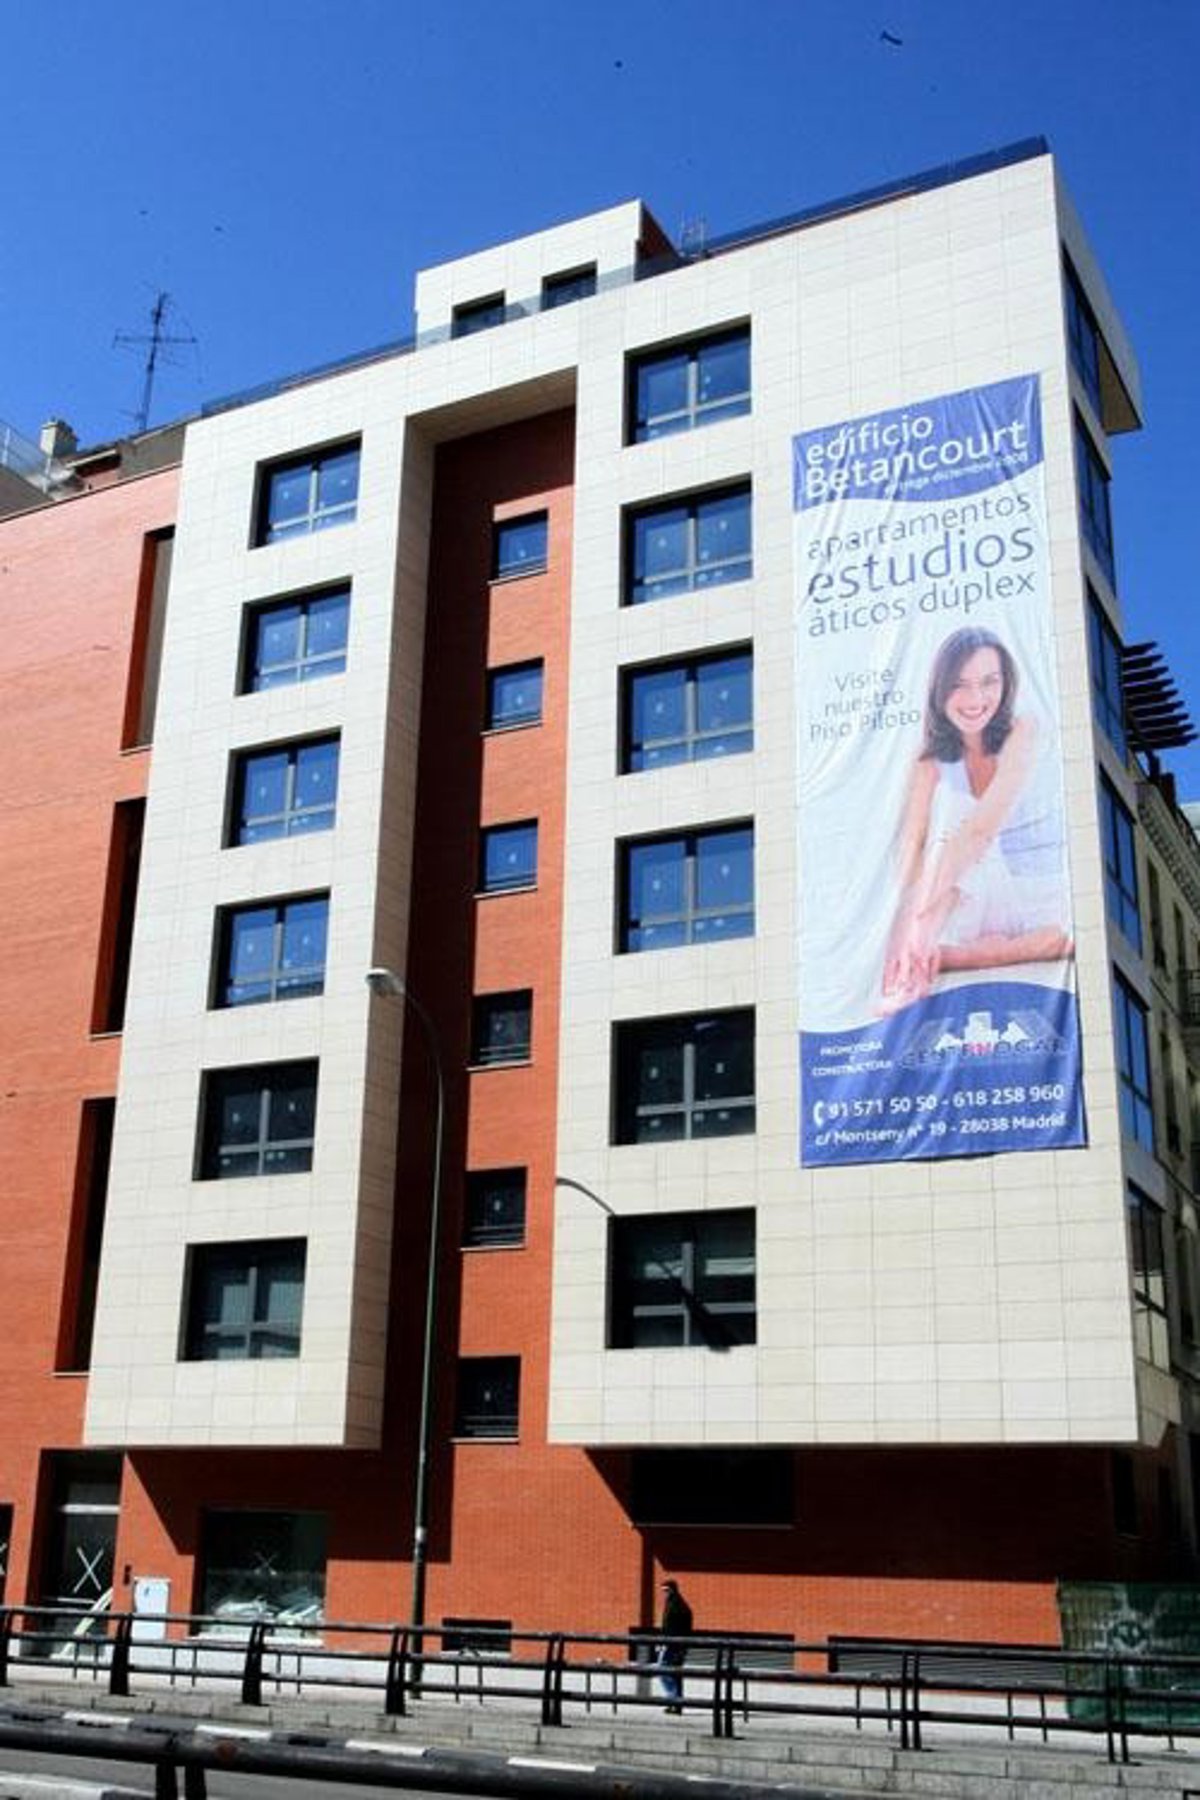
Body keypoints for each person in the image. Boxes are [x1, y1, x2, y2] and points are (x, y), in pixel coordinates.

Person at [880, 626, 1072, 1013]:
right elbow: (912, 844)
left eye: (989, 682)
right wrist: (903, 920)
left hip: (1028, 890)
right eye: (959, 685)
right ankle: (930, 956)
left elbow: (981, 832)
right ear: (940, 690)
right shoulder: (928, 759)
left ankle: (928, 963)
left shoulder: (1024, 729)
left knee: (960, 821)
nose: (976, 699)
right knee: (945, 829)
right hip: (964, 899)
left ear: (1006, 683)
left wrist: (918, 920)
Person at [655, 1577, 693, 1713]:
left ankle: (673, 1699)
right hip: (679, 1644)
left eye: (666, 1590)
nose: (665, 1593)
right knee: (676, 1673)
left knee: (662, 1669)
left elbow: (670, 1627)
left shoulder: (675, 1605)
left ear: (673, 1590)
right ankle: (677, 1704)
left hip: (671, 1644)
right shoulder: (678, 1604)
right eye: (663, 1590)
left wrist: (662, 1642)